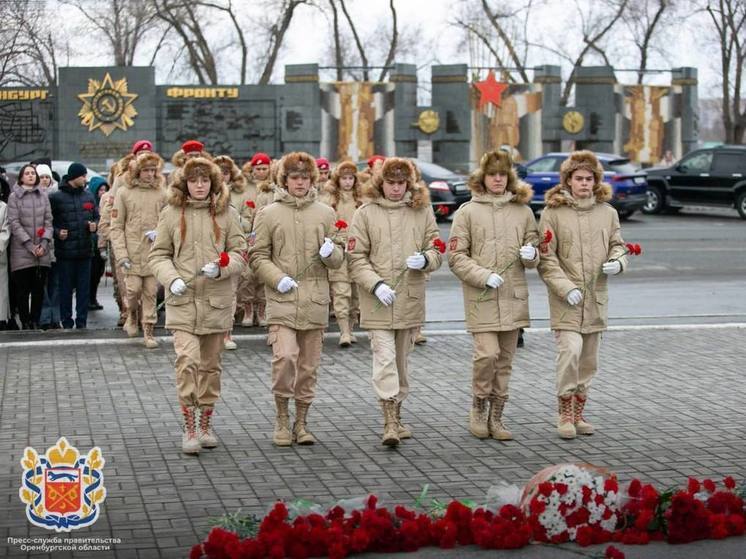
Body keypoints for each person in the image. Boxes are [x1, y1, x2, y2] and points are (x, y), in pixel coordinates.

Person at [149, 157, 246, 455]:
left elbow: (241, 252)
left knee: (211, 367)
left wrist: (222, 268)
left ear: (213, 183)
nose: (200, 186)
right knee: (187, 362)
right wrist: (171, 278)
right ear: (185, 183)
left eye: (205, 181)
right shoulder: (170, 214)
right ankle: (189, 427)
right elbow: (158, 255)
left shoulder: (228, 214)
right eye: (194, 181)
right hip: (183, 303)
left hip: (216, 303)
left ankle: (206, 424)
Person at [249, 151, 344, 447]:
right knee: (285, 357)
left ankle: (301, 422)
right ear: (285, 180)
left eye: (305, 177)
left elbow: (339, 256)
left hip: (315, 300)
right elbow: (257, 255)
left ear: (312, 179)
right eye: (294, 177)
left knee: (308, 366)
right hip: (282, 299)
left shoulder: (326, 213)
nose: (300, 183)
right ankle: (281, 416)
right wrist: (278, 278)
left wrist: (333, 254)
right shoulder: (268, 213)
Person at [348, 157, 443, 447]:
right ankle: (388, 420)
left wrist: (426, 258)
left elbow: (436, 246)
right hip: (377, 300)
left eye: (401, 183)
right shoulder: (365, 213)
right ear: (381, 183)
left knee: (401, 361)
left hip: (408, 299)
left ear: (409, 184)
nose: (396, 189)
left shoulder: (421, 211)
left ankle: (398, 414)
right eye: (391, 183)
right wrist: (374, 284)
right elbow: (356, 257)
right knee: (384, 357)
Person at [448, 150, 539, 440]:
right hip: (482, 297)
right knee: (486, 354)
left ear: (509, 177)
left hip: (512, 297)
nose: (498, 179)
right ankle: (478, 407)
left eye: (502, 175)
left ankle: (497, 416)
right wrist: (483, 275)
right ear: (483, 178)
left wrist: (532, 254)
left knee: (505, 361)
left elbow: (535, 252)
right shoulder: (467, 212)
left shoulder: (523, 211)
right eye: (492, 175)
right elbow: (456, 256)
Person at [537, 150, 628, 439]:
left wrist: (619, 262)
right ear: (568, 180)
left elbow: (618, 245)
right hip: (566, 300)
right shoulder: (553, 212)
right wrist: (567, 288)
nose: (585, 184)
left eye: (589, 179)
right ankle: (564, 412)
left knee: (589, 360)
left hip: (595, 299)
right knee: (571, 352)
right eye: (579, 179)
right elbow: (546, 259)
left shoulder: (608, 213)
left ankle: (579, 413)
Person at [110, 152, 167, 348]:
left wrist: (160, 234)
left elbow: (168, 220)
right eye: (146, 170)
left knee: (151, 292)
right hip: (132, 252)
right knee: (132, 290)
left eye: (153, 170)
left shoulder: (161, 193)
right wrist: (121, 254)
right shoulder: (124, 193)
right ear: (137, 171)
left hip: (153, 251)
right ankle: (132, 313)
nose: (150, 174)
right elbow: (116, 226)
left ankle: (149, 330)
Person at [49, 163, 99, 329]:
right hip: (65, 253)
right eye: (83, 176)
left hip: (85, 251)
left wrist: (95, 225)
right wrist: (57, 233)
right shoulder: (56, 197)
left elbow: (97, 217)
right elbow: (49, 222)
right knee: (65, 290)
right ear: (73, 177)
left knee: (84, 290)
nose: (85, 179)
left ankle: (82, 322)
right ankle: (67, 321)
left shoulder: (88, 196)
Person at [320, 161, 362, 347]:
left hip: (359, 251)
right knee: (340, 292)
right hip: (338, 250)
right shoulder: (329, 199)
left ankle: (351, 328)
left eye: (351, 178)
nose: (347, 182)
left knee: (356, 295)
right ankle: (344, 331)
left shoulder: (362, 199)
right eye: (344, 178)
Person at [214, 154, 254, 349]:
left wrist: (237, 218)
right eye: (219, 172)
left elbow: (249, 222)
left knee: (230, 292)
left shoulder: (240, 195)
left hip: (231, 247)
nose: (223, 176)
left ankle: (227, 334)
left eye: (226, 172)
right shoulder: (208, 192)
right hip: (211, 246)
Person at [7, 164, 53, 330]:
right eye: (27, 173)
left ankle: (35, 320)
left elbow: (49, 221)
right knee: (23, 290)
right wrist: (30, 245)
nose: (31, 176)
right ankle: (25, 322)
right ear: (21, 177)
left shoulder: (43, 195)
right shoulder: (14, 197)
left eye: (33, 173)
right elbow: (14, 223)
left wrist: (44, 243)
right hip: (21, 252)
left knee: (39, 290)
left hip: (42, 251)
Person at [238, 152, 271, 327]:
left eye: (264, 168)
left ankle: (262, 309)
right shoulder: (244, 188)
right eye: (258, 169)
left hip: (266, 235)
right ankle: (248, 309)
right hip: (247, 236)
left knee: (264, 274)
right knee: (247, 275)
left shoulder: (273, 188)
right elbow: (239, 212)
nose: (261, 172)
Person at [36, 165, 61, 329]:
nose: (45, 180)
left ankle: (55, 317)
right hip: (41, 245)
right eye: (42, 177)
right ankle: (44, 317)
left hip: (56, 246)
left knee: (56, 284)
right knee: (42, 285)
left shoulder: (58, 196)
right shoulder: (35, 196)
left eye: (47, 177)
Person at [87, 176, 110, 311]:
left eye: (104, 189)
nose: (102, 192)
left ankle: (93, 298)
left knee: (97, 274)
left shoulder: (106, 203)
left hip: (101, 244)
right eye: (100, 190)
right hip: (91, 244)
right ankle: (88, 299)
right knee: (91, 274)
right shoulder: (91, 203)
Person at [0, 198, 11, 328]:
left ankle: (1, 318)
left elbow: (6, 228)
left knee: (1, 287)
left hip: (0, 250)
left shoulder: (4, 207)